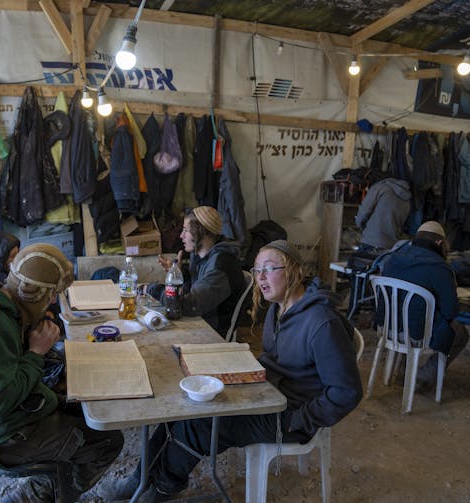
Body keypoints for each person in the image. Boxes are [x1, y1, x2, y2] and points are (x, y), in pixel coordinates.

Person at [106, 239, 363, 502]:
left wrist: (300, 419)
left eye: (269, 269)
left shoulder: (322, 323)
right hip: (264, 395)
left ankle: (162, 488)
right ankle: (140, 479)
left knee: (198, 426)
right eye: (257, 270)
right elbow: (276, 362)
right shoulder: (279, 308)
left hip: (290, 414)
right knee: (182, 408)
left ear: (294, 271)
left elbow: (346, 393)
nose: (261, 278)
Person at [0, 243, 124, 502]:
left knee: (83, 406)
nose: (52, 302)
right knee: (106, 442)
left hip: (10, 417)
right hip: (3, 436)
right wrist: (35, 354)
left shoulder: (1, 302)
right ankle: (45, 494)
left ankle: (51, 488)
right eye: (51, 295)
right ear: (33, 292)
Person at [378, 221, 469, 392]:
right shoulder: (440, 267)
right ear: (440, 243)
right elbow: (451, 311)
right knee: (460, 333)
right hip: (416, 333)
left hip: (387, 327)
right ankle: (422, 378)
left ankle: (402, 372)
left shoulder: (392, 259)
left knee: (409, 315)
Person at [155, 206, 245, 337]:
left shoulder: (221, 265)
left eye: (186, 230)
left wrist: (153, 290)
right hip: (200, 323)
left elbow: (188, 305)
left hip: (212, 334)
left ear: (201, 232)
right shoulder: (201, 258)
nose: (181, 235)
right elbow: (194, 292)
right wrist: (181, 275)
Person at [354, 177, 412, 252]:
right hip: (391, 245)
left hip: (371, 241)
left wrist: (360, 225)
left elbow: (364, 211)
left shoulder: (380, 188)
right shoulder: (407, 198)